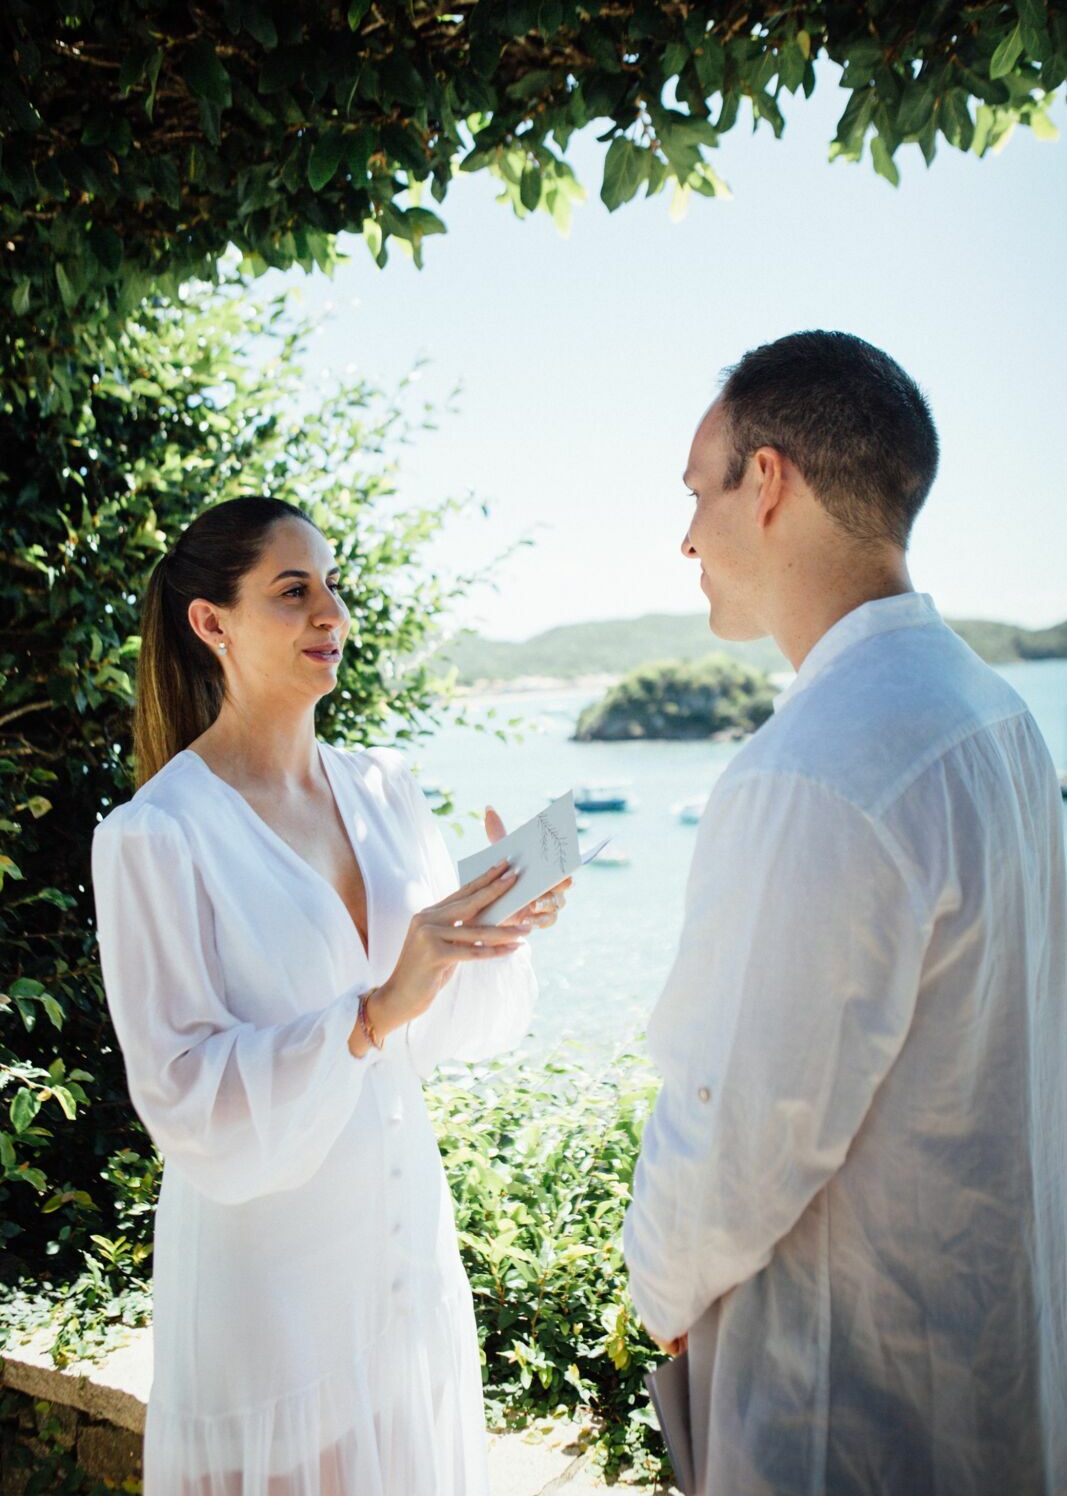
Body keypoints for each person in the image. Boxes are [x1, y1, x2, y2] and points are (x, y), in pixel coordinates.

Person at [622, 331, 1067, 1495]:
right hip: (993, 1373)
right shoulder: (994, 718)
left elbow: (737, 1129)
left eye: (695, 492)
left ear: (763, 482)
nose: (683, 536)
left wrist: (655, 1295)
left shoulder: (806, 769)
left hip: (840, 1405)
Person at [90, 494, 570, 1496]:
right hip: (268, 1283)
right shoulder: (155, 835)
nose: (332, 614)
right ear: (210, 622)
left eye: (334, 585)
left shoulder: (388, 788)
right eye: (293, 590)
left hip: (401, 1257)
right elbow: (181, 1096)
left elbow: (443, 1026)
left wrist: (495, 927)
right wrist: (365, 1016)